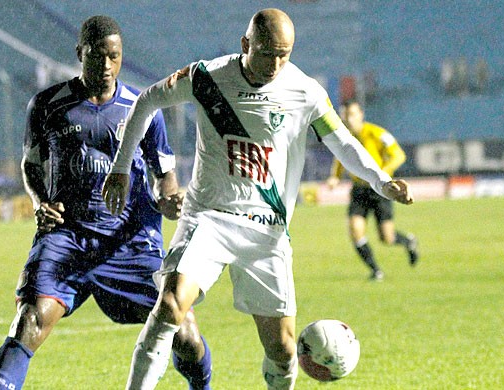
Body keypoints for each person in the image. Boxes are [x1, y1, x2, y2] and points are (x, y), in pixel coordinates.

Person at [102, 8, 413, 389]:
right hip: (208, 219)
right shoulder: (206, 77)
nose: (276, 64)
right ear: (246, 44)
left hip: (267, 232)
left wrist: (382, 181)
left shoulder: (305, 91)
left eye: (285, 54)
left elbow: (343, 143)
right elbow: (147, 101)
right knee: (169, 306)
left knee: (282, 349)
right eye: (268, 53)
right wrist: (119, 168)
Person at [0, 16, 212, 390]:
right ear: (79, 54)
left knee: (183, 330)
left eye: (113, 57)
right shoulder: (47, 105)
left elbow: (164, 178)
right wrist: (41, 201)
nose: (105, 66)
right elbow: (31, 164)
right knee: (29, 322)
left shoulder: (143, 107)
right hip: (67, 238)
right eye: (95, 57)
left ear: (121, 57)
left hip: (129, 243)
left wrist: (169, 200)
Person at [327, 99, 419, 281]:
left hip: (380, 191)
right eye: (345, 114)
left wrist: (383, 174)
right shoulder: (343, 136)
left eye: (352, 114)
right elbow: (342, 158)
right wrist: (335, 177)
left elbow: (398, 155)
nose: (348, 118)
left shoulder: (376, 133)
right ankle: (376, 270)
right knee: (355, 230)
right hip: (359, 190)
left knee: (387, 237)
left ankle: (408, 241)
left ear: (361, 114)